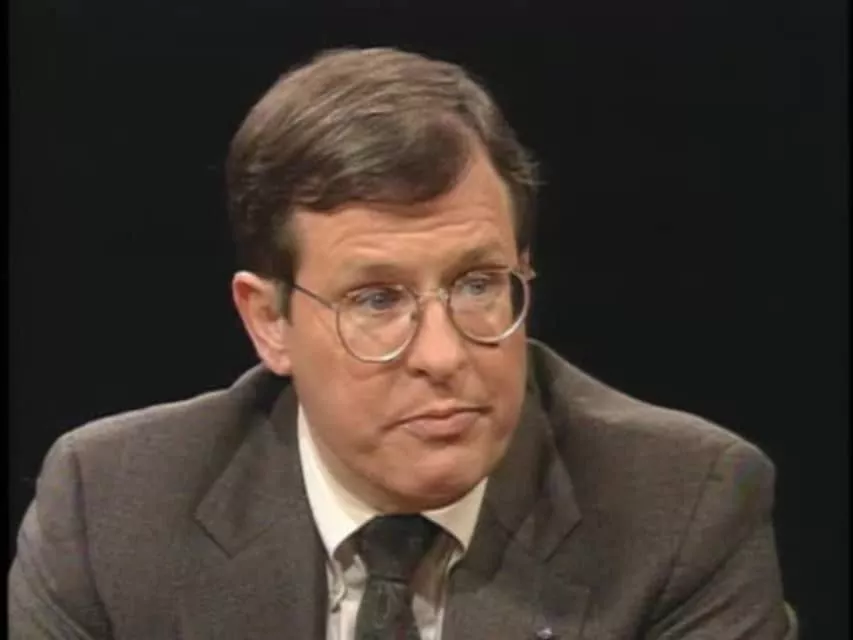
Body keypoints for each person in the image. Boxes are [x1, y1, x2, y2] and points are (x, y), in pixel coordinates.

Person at [9, 46, 797, 639]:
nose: (444, 356)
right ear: (269, 321)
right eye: (377, 299)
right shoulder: (112, 511)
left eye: (478, 284)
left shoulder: (680, 510)